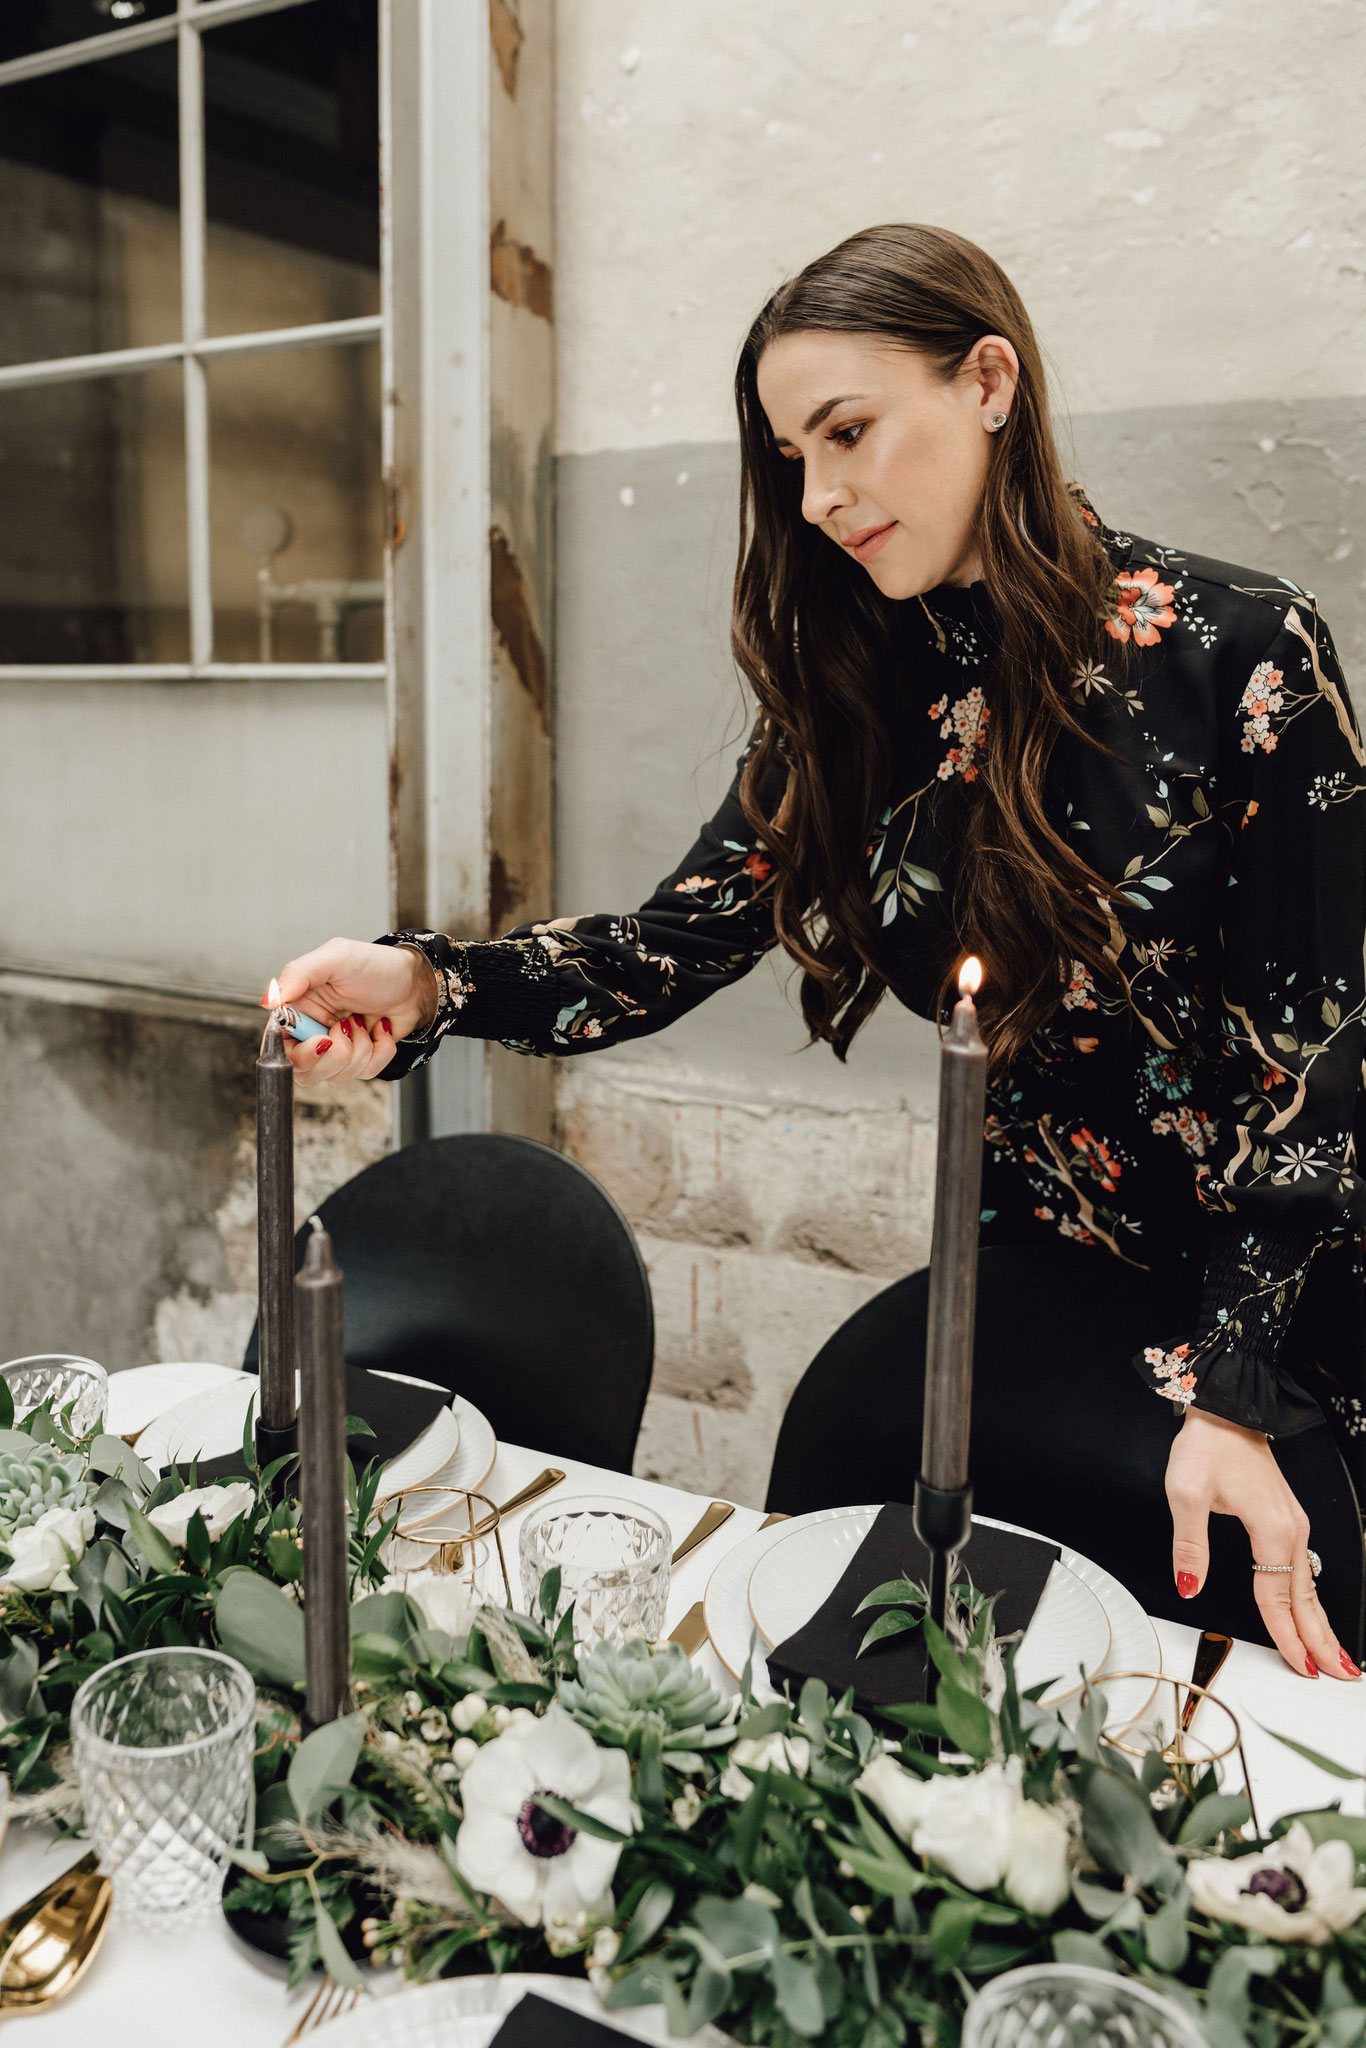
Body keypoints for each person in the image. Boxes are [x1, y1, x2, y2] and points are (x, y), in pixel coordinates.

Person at [270, 223, 1366, 1681]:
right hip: (1028, 1293)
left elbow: (1320, 1057)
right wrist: (435, 986)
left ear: (989, 380)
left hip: (1274, 1310)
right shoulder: (858, 698)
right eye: (794, 454)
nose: (822, 495)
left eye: (847, 431)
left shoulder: (1240, 655)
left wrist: (1232, 1392)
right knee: (957, 1698)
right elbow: (674, 942)